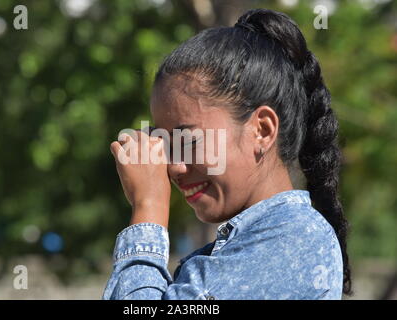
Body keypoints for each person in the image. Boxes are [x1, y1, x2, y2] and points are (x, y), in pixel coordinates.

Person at [102, 8, 351, 300]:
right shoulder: (252, 246)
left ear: (262, 129)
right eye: (167, 145)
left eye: (189, 141)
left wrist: (149, 207)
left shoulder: (292, 241)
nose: (174, 167)